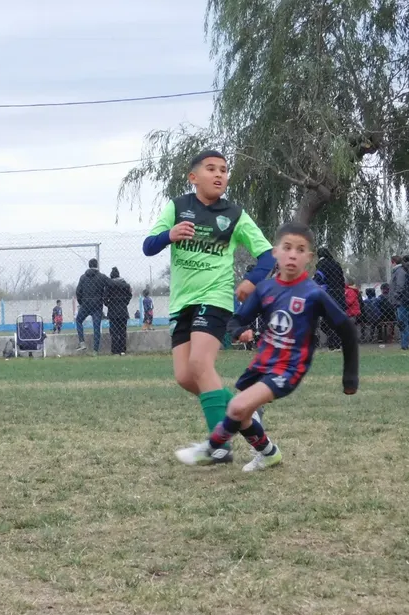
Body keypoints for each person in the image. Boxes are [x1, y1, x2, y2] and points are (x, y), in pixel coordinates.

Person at [175, 221, 358, 470]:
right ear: (275, 252)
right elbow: (238, 319)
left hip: (289, 368)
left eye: (300, 249)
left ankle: (211, 448)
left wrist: (350, 377)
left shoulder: (314, 293)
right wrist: (239, 330)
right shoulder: (266, 289)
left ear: (309, 257)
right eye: (287, 247)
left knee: (237, 406)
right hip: (263, 363)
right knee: (244, 416)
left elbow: (346, 328)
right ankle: (268, 453)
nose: (293, 254)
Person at [142, 149, 274, 443]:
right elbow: (148, 247)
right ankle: (246, 412)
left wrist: (251, 281)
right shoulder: (177, 208)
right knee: (186, 377)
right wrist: (169, 235)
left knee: (201, 365)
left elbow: (267, 256)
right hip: (181, 303)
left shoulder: (234, 215)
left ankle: (219, 445)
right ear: (193, 177)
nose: (219, 175)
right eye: (211, 169)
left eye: (224, 170)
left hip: (214, 298)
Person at [316, 247, 347, 350]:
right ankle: (337, 344)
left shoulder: (322, 264)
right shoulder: (337, 264)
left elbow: (319, 278)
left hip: (329, 295)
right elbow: (342, 281)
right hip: (340, 295)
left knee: (326, 322)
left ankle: (332, 344)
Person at [75, 259, 108, 354]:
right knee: (96, 327)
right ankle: (95, 350)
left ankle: (82, 342)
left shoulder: (83, 277)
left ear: (89, 266)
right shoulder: (101, 277)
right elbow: (110, 284)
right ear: (97, 265)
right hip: (97, 305)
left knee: (78, 320)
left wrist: (81, 302)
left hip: (85, 304)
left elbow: (78, 292)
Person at [105, 266, 133, 356]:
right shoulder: (125, 285)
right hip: (123, 310)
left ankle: (115, 350)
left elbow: (105, 299)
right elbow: (129, 295)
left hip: (112, 311)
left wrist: (109, 305)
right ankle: (122, 350)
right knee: (122, 331)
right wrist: (125, 303)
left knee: (114, 331)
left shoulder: (109, 286)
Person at [391, 255, 409, 350]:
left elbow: (400, 285)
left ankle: (405, 344)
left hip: (400, 301)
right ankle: (404, 343)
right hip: (399, 301)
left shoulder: (399, 271)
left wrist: (396, 295)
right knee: (402, 323)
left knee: (403, 322)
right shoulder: (399, 271)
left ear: (393, 262)